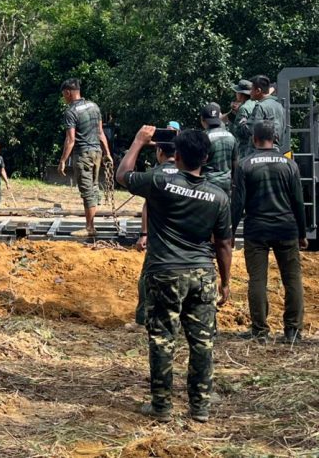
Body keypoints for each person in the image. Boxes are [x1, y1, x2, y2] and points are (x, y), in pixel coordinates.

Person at [117, 126, 233, 423]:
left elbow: (122, 176)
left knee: (162, 340)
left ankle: (162, 407)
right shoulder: (218, 197)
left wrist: (138, 141)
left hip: (165, 272)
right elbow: (223, 245)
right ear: (205, 157)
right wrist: (226, 282)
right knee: (202, 342)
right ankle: (200, 407)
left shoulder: (159, 181)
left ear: (176, 155)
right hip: (202, 274)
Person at [231, 121, 308, 343]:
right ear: (275, 138)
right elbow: (298, 202)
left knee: (257, 280)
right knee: (292, 279)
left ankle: (260, 331)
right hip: (286, 228)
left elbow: (238, 204)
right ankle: (293, 331)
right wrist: (302, 233)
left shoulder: (245, 165)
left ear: (254, 139)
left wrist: (230, 232)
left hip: (257, 230)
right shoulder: (289, 165)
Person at [130, 140, 178, 329]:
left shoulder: (153, 177)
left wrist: (144, 233)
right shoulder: (192, 177)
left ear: (159, 152)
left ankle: (143, 319)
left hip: (159, 242)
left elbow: (122, 176)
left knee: (147, 279)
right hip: (186, 243)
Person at [58, 78, 113, 237]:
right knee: (94, 188)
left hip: (83, 154)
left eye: (64, 94)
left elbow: (71, 140)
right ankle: (91, 225)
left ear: (68, 92)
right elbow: (101, 133)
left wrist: (62, 161)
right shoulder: (94, 107)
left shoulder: (71, 112)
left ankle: (90, 228)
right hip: (97, 153)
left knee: (87, 191)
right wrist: (107, 153)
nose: (64, 97)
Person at [239, 75, 286, 152]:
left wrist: (243, 122)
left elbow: (249, 130)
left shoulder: (260, 106)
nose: (250, 92)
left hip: (260, 151)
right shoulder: (279, 105)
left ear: (258, 91)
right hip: (276, 150)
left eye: (251, 90)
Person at [200, 102, 237, 195]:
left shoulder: (203, 137)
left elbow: (198, 163)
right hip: (226, 184)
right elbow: (235, 163)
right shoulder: (231, 136)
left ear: (202, 120)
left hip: (207, 184)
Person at [225, 79, 255, 155]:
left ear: (241, 94)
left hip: (246, 148)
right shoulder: (256, 103)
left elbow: (238, 131)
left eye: (237, 92)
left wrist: (233, 114)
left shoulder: (244, 108)